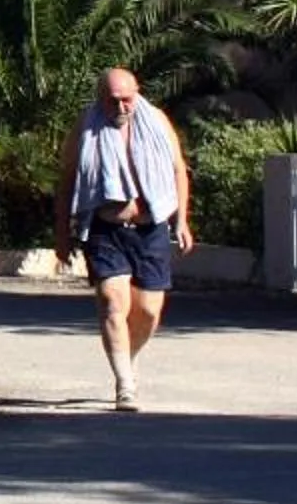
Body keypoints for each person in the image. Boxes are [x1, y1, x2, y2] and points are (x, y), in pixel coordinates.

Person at [54, 67, 193, 410]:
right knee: (112, 302)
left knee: (147, 311)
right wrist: (61, 232)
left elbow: (178, 169)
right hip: (105, 227)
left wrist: (183, 220)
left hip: (150, 227)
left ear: (138, 93)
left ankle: (126, 358)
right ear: (101, 97)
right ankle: (124, 383)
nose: (121, 107)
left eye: (127, 99)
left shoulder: (157, 120)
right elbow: (68, 178)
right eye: (113, 100)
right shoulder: (86, 126)